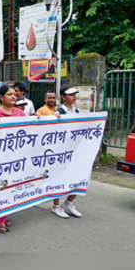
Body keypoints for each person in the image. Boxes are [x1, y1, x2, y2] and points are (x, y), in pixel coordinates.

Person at [0, 85, 26, 234]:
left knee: (11, 187)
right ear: (1, 97)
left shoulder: (20, 113)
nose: (14, 97)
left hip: (17, 158)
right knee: (1, 187)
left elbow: (32, 128)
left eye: (14, 94)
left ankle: (3, 214)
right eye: (9, 94)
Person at [51, 86, 82, 219]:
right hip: (62, 151)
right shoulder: (59, 111)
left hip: (75, 149)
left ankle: (69, 202)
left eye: (75, 94)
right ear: (63, 97)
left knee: (79, 175)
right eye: (70, 95)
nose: (73, 97)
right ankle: (56, 206)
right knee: (60, 177)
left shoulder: (77, 110)